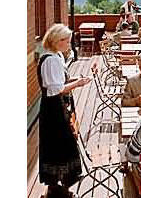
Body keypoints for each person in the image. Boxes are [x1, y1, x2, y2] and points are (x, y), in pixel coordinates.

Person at [37, 24, 91, 198]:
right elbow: (55, 89)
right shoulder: (50, 60)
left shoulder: (57, 56)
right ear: (55, 41)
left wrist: (75, 79)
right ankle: (56, 189)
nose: (69, 43)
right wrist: (78, 84)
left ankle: (58, 187)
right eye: (65, 40)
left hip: (58, 107)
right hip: (54, 110)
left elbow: (59, 80)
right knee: (60, 146)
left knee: (61, 146)